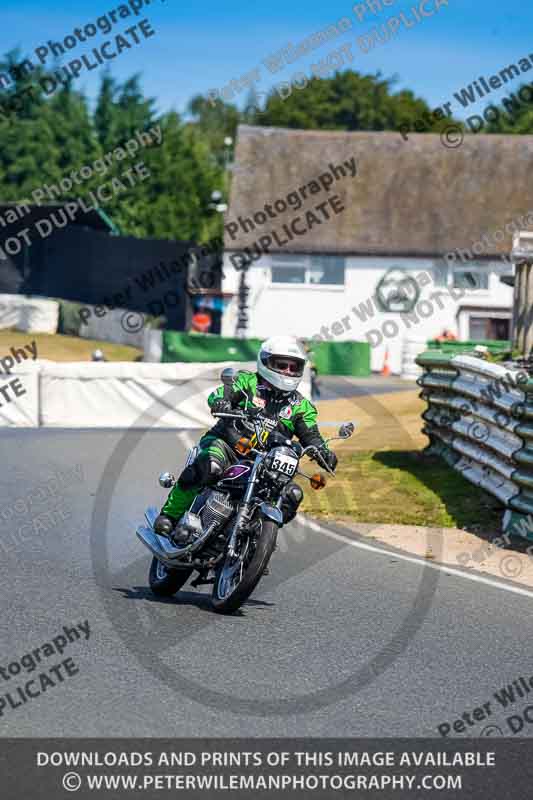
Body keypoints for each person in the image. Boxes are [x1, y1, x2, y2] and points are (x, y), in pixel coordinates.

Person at [154, 336, 337, 539]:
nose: (287, 371)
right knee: (210, 464)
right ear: (266, 362)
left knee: (292, 495)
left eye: (293, 367)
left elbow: (311, 435)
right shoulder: (247, 382)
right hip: (227, 445)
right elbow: (219, 395)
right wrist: (222, 403)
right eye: (281, 365)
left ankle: (256, 541)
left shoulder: (301, 407)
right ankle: (170, 515)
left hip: (266, 463)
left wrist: (323, 451)